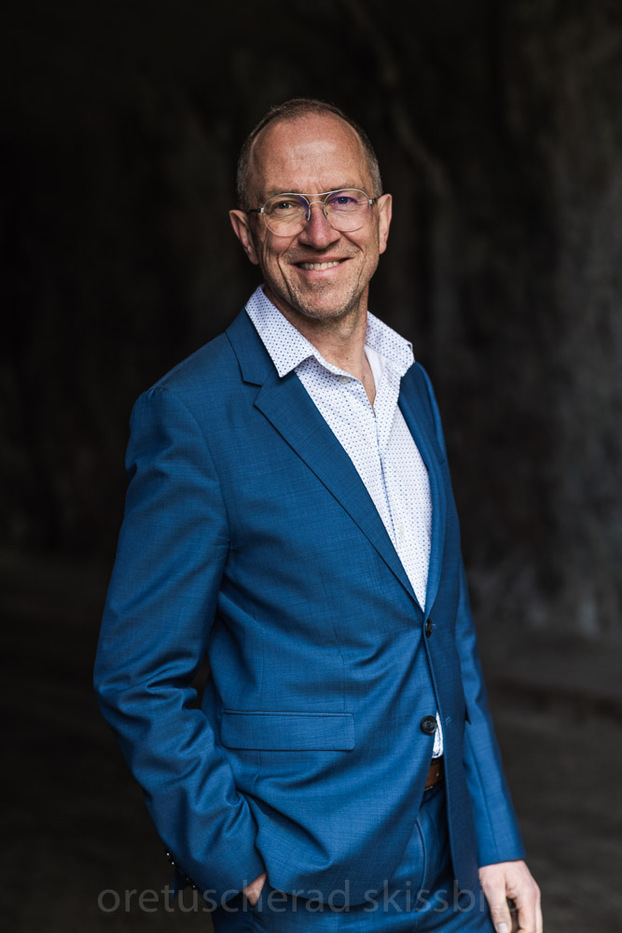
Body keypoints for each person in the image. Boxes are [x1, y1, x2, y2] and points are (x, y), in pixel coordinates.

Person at [94, 98, 542, 932]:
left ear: (382, 219)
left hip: (454, 864)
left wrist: (495, 839)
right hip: (305, 883)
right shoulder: (191, 415)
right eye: (285, 205)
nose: (318, 231)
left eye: (341, 198)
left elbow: (444, 631)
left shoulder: (411, 382)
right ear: (245, 231)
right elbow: (138, 676)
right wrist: (238, 868)